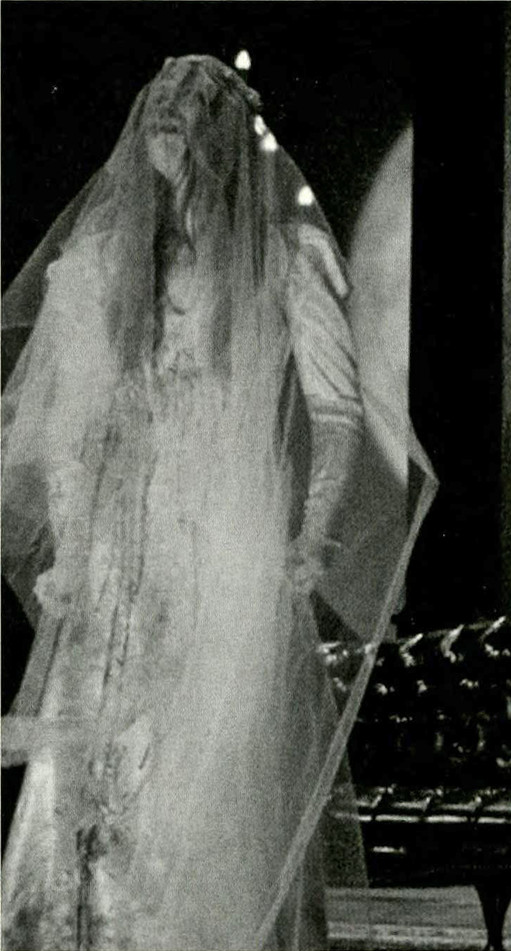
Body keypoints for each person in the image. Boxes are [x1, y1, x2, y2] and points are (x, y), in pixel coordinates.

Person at [1, 55, 435, 950]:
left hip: (223, 529)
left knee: (207, 755)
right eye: (161, 116)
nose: (170, 134)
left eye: (191, 118)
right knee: (100, 743)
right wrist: (77, 548)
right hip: (123, 536)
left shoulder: (281, 259)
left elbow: (339, 411)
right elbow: (70, 424)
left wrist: (307, 538)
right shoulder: (105, 266)